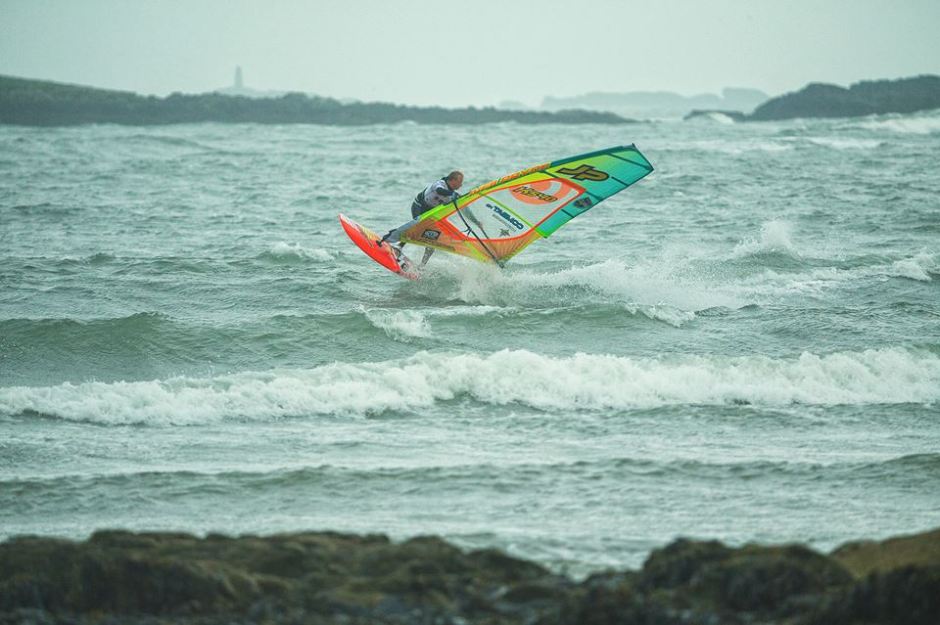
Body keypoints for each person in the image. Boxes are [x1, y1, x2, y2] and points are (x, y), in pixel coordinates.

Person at [380, 170, 464, 266]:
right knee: (416, 227)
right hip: (419, 207)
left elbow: (463, 209)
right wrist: (452, 195)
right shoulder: (440, 184)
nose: (461, 185)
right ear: (453, 180)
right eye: (460, 182)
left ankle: (422, 266)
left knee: (433, 240)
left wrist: (476, 222)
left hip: (429, 214)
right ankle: (398, 246)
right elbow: (439, 191)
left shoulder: (452, 195)